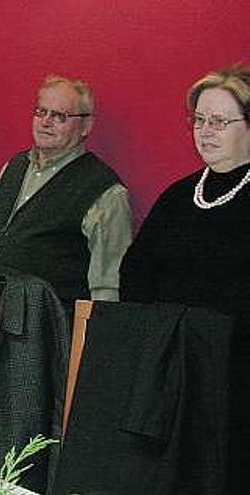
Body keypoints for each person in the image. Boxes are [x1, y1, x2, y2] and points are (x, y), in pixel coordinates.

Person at [119, 63, 250, 492]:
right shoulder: (179, 195)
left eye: (219, 121)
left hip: (233, 387)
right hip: (169, 379)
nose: (205, 131)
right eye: (199, 120)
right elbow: (135, 270)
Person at [0, 75, 132, 304]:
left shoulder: (106, 193)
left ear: (86, 126)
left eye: (59, 116)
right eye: (41, 112)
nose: (45, 122)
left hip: (52, 328)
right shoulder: (14, 167)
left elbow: (107, 291)